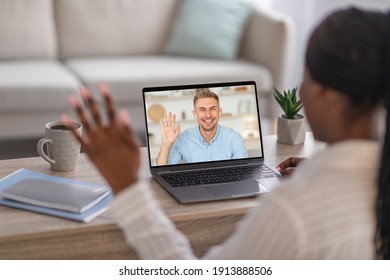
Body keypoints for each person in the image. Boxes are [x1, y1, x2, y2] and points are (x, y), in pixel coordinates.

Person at [62, 7, 390, 259]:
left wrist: (128, 188)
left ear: (325, 92)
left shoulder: (292, 214)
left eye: (304, 75)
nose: (299, 91)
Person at [156, 89, 248, 165]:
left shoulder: (234, 138)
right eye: (202, 110)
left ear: (219, 112)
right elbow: (162, 170)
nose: (208, 115)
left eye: (212, 109)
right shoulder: (182, 139)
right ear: (195, 114)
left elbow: (243, 171)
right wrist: (166, 145)